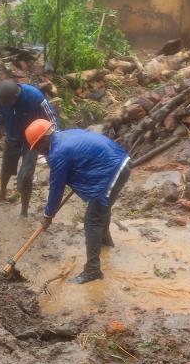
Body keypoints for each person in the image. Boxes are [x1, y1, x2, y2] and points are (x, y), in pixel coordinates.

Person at [27, 119, 131, 285]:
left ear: (44, 140)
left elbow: (56, 188)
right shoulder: (64, 136)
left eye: (38, 147)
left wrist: (48, 214)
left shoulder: (58, 153)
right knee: (102, 207)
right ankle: (105, 241)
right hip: (119, 162)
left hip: (111, 169)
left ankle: (93, 270)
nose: (40, 152)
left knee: (92, 220)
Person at [0, 79, 59, 218]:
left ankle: (24, 212)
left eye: (6, 103)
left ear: (15, 98)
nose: (3, 105)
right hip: (12, 135)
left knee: (26, 175)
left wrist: (54, 139)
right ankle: (2, 193)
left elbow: (51, 118)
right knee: (6, 167)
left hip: (32, 140)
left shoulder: (35, 97)